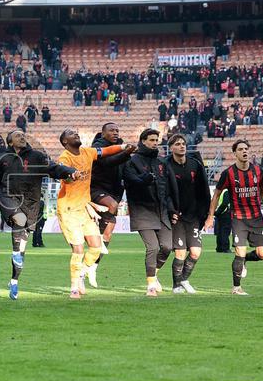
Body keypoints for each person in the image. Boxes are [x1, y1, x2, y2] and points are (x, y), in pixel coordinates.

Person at [0, 129, 76, 300]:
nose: (22, 137)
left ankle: (14, 281)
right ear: (10, 142)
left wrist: (69, 171)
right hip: (8, 197)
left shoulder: (37, 157)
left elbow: (53, 169)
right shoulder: (3, 158)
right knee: (19, 220)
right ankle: (16, 253)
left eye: (23, 135)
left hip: (31, 203)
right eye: (18, 135)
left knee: (23, 244)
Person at [55, 129, 129, 299]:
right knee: (78, 249)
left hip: (84, 207)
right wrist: (70, 175)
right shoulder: (65, 157)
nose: (76, 135)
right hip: (68, 209)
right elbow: (62, 173)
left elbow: (105, 151)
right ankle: (74, 286)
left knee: (96, 247)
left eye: (76, 133)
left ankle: (81, 274)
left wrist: (123, 147)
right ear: (65, 142)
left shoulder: (88, 152)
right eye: (71, 134)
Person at [204, 140, 263, 296]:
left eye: (246, 149)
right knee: (240, 252)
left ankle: (245, 261)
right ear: (234, 153)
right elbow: (216, 195)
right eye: (241, 149)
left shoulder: (257, 171)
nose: (244, 151)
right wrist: (210, 216)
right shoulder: (228, 173)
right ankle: (236, 288)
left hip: (256, 218)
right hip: (238, 218)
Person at [123, 129, 179, 297]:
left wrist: (172, 209)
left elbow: (168, 190)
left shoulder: (162, 162)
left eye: (157, 140)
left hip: (162, 211)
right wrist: (144, 180)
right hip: (143, 210)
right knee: (153, 247)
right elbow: (131, 182)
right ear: (143, 141)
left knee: (167, 247)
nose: (156, 143)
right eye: (152, 140)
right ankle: (150, 286)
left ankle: (154, 274)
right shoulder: (132, 162)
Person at [165, 134, 211, 294]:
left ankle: (184, 279)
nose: (182, 146)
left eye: (183, 143)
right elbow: (165, 192)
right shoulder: (166, 166)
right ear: (171, 148)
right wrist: (171, 210)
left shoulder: (195, 164)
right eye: (177, 144)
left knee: (195, 252)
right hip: (177, 216)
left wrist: (207, 215)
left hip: (194, 216)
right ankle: (176, 285)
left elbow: (204, 190)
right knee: (180, 252)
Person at [88, 123, 132, 285]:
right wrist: (126, 152)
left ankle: (92, 267)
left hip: (114, 192)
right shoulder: (98, 147)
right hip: (95, 189)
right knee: (112, 206)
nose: (115, 133)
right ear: (103, 133)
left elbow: (125, 170)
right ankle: (96, 243)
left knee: (108, 234)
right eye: (112, 130)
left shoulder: (121, 147)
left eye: (117, 130)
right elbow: (108, 162)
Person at [214, 187, 233, 252]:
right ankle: (225, 248)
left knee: (220, 231)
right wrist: (218, 212)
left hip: (220, 214)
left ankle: (219, 248)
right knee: (225, 231)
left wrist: (216, 213)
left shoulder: (220, 191)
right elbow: (225, 203)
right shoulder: (226, 191)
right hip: (225, 213)